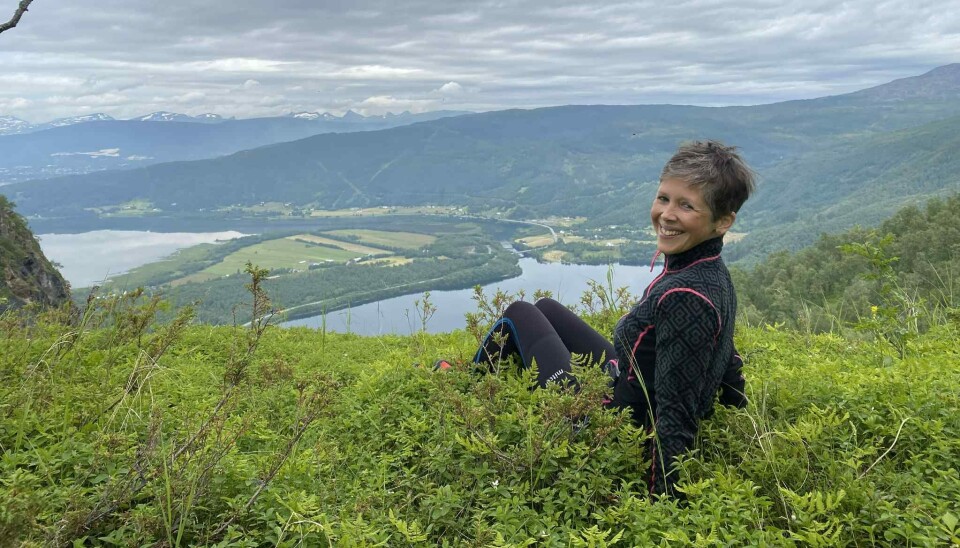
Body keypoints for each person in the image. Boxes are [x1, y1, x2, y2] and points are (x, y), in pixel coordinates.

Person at [465, 140, 755, 497]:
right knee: (545, 306)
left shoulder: (684, 296)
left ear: (723, 222)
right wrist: (738, 410)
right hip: (626, 378)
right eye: (664, 198)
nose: (666, 215)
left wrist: (665, 502)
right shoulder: (708, 270)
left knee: (519, 313)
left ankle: (466, 383)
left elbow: (674, 414)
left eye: (686, 205)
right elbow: (727, 350)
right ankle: (489, 379)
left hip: (611, 423)